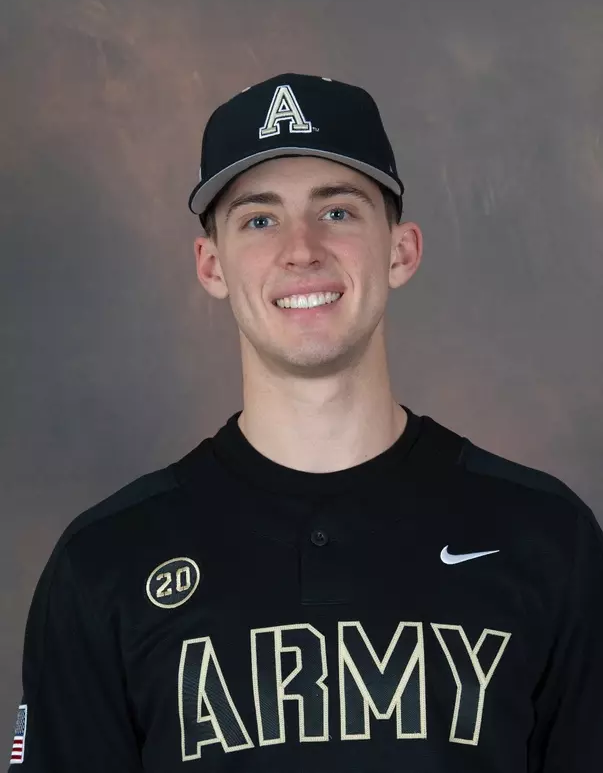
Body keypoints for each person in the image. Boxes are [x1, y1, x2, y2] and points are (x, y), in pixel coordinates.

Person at [8, 72, 603, 772]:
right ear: (211, 264)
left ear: (401, 249)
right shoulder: (106, 562)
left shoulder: (543, 536)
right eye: (258, 219)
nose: (300, 249)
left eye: (338, 212)